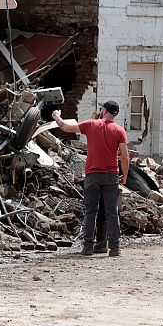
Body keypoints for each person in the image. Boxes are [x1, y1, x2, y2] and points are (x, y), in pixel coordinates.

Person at [52, 100, 129, 257]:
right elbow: (125, 157)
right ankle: (114, 248)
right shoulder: (120, 130)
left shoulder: (91, 125)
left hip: (93, 175)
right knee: (112, 212)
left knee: (90, 212)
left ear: (104, 110)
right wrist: (125, 176)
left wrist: (56, 116)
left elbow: (65, 127)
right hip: (111, 175)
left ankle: (88, 247)